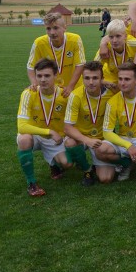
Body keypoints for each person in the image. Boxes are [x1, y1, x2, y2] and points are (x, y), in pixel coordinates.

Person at [17, 59, 88, 196]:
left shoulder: (64, 95)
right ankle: (31, 183)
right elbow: (22, 127)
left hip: (56, 138)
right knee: (24, 139)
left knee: (67, 164)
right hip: (35, 135)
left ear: (55, 75)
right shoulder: (28, 93)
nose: (42, 80)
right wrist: (48, 131)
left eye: (47, 76)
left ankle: (54, 164)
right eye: (39, 76)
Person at [64, 61, 115, 184]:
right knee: (70, 143)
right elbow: (67, 128)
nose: (90, 82)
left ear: (102, 79)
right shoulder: (76, 95)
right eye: (87, 78)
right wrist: (87, 140)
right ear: (82, 78)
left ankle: (104, 161)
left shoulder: (111, 95)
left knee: (106, 179)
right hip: (82, 138)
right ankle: (87, 169)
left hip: (102, 139)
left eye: (95, 78)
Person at [27, 12, 86, 98]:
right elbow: (31, 66)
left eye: (55, 28)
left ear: (65, 27)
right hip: (51, 90)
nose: (52, 32)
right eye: (48, 29)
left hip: (74, 88)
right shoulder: (39, 43)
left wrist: (70, 86)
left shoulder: (75, 40)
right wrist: (34, 83)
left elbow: (80, 64)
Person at [95, 19, 136, 93]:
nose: (114, 40)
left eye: (118, 36)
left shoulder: (131, 43)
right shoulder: (105, 50)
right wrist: (104, 82)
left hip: (132, 81)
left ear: (125, 36)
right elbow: (93, 70)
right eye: (111, 37)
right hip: (112, 82)